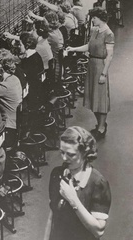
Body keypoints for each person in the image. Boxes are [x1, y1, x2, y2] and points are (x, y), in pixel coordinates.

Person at [44, 126, 111, 240]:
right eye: (62, 152)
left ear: (84, 153)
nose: (64, 158)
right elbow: (52, 216)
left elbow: (98, 231)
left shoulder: (97, 183)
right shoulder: (57, 174)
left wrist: (73, 200)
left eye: (71, 154)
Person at [66, 7, 114, 139]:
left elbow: (109, 56)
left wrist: (104, 74)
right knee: (93, 97)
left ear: (101, 18)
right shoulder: (94, 30)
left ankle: (102, 128)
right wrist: (73, 49)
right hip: (91, 65)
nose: (92, 20)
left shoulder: (108, 33)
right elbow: (89, 46)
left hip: (100, 67)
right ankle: (100, 124)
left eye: (94, 18)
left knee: (101, 99)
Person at [19, 32, 45, 110]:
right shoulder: (36, 55)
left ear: (26, 46)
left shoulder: (30, 61)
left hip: (32, 97)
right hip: (38, 92)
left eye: (20, 45)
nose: (19, 47)